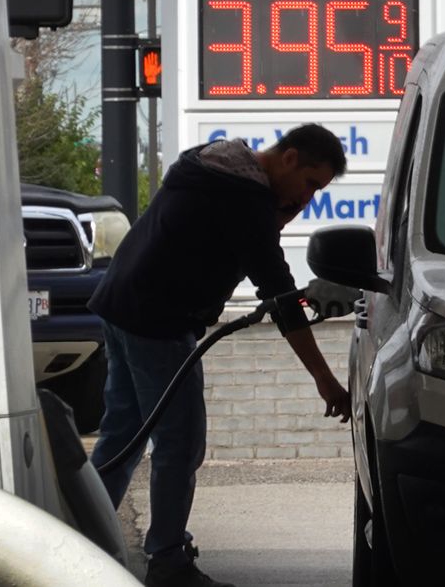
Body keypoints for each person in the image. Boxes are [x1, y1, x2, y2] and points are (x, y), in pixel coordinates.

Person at [87, 124, 351, 587]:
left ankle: (79, 536)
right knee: (179, 443)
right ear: (290, 158)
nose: (308, 197)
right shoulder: (244, 197)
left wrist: (277, 214)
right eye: (310, 183)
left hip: (122, 303)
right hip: (158, 322)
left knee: (123, 435)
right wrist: (324, 379)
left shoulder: (212, 165)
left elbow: (245, 248)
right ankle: (167, 560)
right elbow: (278, 290)